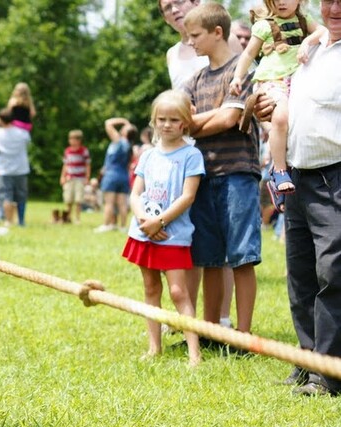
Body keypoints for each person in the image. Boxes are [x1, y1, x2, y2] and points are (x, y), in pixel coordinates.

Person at [183, 3, 262, 334]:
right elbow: (179, 121)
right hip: (205, 176)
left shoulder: (242, 71)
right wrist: (206, 119)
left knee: (242, 256)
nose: (190, 42)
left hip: (238, 174)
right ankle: (211, 329)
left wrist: (195, 122)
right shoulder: (195, 80)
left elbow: (232, 118)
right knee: (209, 258)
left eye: (195, 35)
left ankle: (243, 334)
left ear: (218, 33)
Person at [280, 0, 341, 396]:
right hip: (297, 175)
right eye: (329, 0)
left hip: (335, 174)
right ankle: (307, 359)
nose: (335, 8)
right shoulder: (314, 47)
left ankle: (329, 374)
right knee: (300, 273)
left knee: (334, 274)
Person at [122, 90, 204, 366]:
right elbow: (135, 193)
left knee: (179, 292)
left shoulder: (191, 155)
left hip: (172, 234)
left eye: (173, 119)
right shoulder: (147, 155)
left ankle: (194, 352)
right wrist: (145, 220)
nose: (166, 125)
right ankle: (154, 347)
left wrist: (161, 221)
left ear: (184, 122)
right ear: (153, 121)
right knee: (150, 288)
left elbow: (188, 196)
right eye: (161, 119)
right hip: (144, 231)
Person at [229, 0, 325, 195]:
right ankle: (280, 170)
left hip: (297, 80)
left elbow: (323, 32)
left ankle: (281, 178)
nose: (281, 2)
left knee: (297, 126)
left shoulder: (304, 20)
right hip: (272, 79)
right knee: (280, 118)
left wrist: (306, 41)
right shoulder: (265, 25)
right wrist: (237, 77)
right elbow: (248, 54)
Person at [159, 0, 244, 90]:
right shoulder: (171, 54)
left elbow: (245, 82)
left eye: (179, 2)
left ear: (196, 2)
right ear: (165, 18)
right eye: (167, 8)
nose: (174, 10)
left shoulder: (225, 39)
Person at [0, 108, 30, 227]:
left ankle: (8, 221)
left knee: (6, 196)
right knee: (21, 196)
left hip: (4, 170)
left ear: (0, 119)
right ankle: (21, 221)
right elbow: (27, 143)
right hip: (21, 168)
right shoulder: (23, 133)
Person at [95, 117, 137, 233]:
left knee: (109, 202)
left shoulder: (118, 140)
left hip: (111, 175)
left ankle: (107, 225)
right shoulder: (130, 146)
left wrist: (123, 120)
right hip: (124, 176)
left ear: (126, 132)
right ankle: (123, 227)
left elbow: (107, 123)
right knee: (122, 203)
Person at [60, 129, 90, 224]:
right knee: (68, 199)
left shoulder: (84, 151)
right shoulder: (67, 151)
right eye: (70, 139)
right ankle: (68, 217)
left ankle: (77, 218)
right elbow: (65, 165)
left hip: (80, 179)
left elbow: (87, 165)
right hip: (69, 178)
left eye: (72, 139)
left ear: (79, 140)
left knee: (78, 200)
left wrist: (87, 177)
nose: (70, 141)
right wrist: (62, 176)